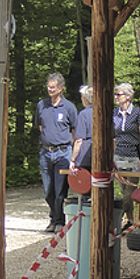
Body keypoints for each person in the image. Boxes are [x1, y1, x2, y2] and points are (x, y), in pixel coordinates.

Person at [35, 72, 77, 232]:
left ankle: (59, 221)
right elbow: (40, 126)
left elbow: (75, 130)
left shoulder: (69, 107)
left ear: (61, 89)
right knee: (48, 191)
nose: (49, 89)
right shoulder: (42, 105)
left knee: (60, 190)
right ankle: (53, 218)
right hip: (45, 153)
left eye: (53, 87)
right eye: (48, 86)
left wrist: (72, 153)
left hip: (62, 152)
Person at [113, 82, 140, 229]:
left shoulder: (138, 113)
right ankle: (130, 220)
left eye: (118, 94)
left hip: (133, 155)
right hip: (118, 155)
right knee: (122, 188)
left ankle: (124, 215)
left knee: (129, 192)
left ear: (128, 96)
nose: (116, 97)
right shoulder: (114, 113)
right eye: (115, 94)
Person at [69, 85, 93, 173]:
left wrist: (73, 160)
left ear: (86, 99)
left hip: (86, 158)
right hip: (103, 156)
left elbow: (79, 140)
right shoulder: (104, 113)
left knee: (85, 185)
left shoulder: (83, 114)